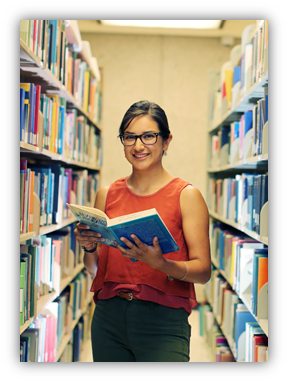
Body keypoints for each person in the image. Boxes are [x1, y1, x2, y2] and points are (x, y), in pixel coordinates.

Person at [74, 100, 211, 362]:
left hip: (164, 321)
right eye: (129, 137)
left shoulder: (187, 196)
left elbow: (203, 272)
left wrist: (160, 263)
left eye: (149, 136)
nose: (138, 146)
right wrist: (90, 247)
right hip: (108, 319)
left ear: (166, 141)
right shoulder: (107, 194)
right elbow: (94, 270)